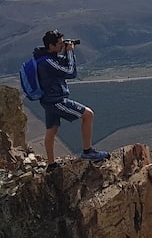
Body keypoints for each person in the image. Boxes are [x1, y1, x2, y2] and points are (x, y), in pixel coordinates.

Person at [34, 29, 108, 166]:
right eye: (60, 43)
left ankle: (51, 164)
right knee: (88, 115)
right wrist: (69, 51)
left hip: (48, 100)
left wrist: (65, 52)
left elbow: (62, 66)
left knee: (52, 129)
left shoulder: (45, 58)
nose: (62, 45)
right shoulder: (48, 62)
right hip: (55, 100)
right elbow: (70, 72)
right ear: (51, 46)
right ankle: (87, 151)